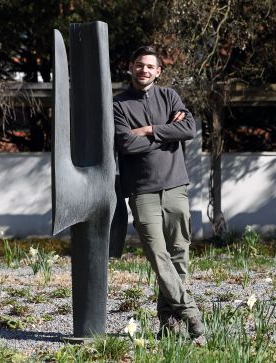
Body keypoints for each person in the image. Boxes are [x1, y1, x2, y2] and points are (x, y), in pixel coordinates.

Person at [113, 46, 204, 339]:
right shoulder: (118, 105)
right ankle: (190, 313)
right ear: (131, 66)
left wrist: (149, 130)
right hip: (142, 192)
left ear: (158, 71)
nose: (144, 70)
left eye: (150, 66)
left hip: (176, 185)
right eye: (139, 65)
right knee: (157, 255)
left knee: (179, 253)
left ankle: (167, 322)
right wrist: (166, 134)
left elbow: (188, 129)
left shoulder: (170, 96)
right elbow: (126, 145)